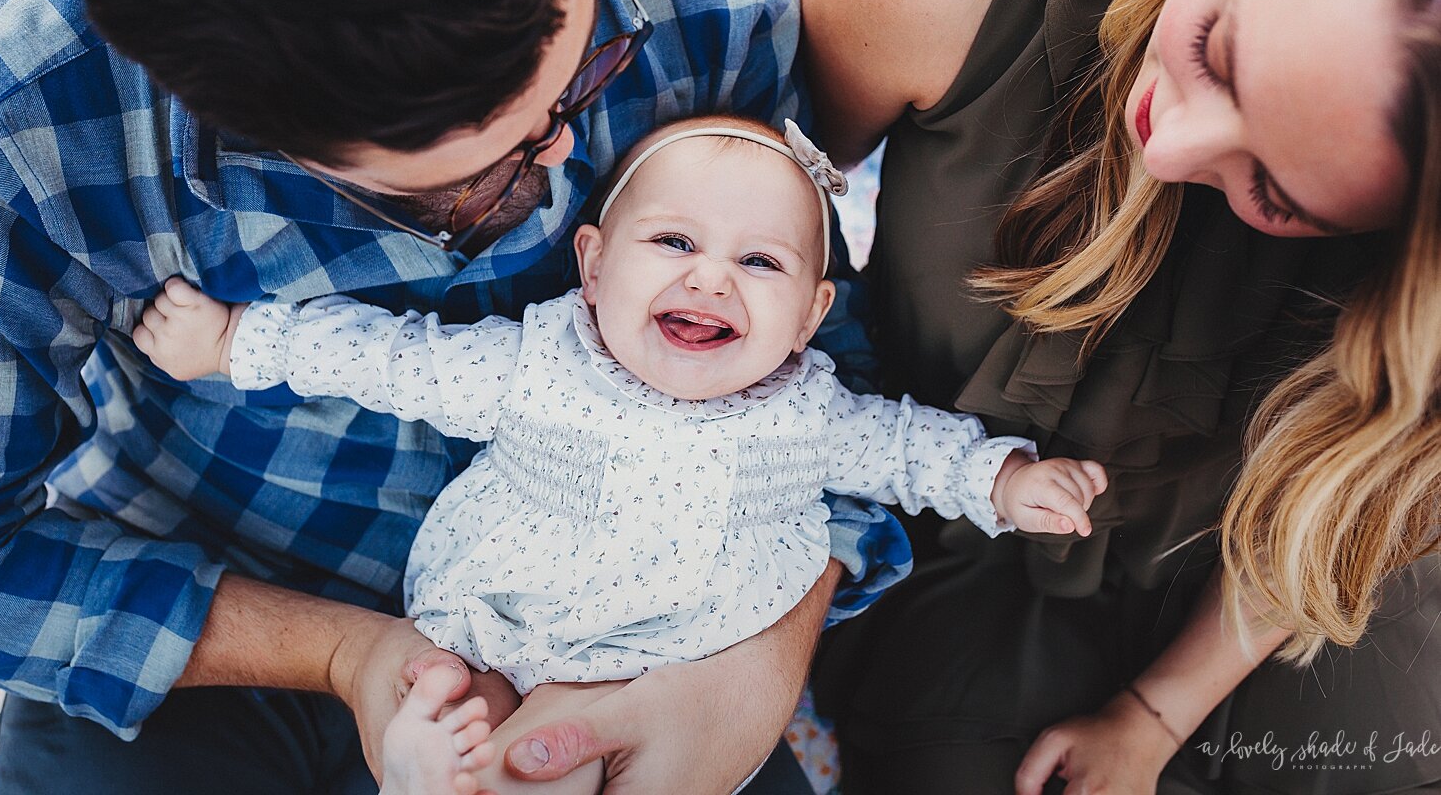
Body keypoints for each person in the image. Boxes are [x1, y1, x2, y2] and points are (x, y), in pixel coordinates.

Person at [0, 0, 909, 792]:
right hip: (211, 588)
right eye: (482, 178)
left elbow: (826, 359)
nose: (567, 151)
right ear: (224, 112)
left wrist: (761, 660)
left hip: (621, 618)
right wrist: (343, 655)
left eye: (582, 79)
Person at [132, 113, 1109, 795]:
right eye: (674, 241)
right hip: (495, 618)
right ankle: (427, 773)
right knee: (446, 697)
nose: (711, 277)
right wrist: (234, 343)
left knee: (560, 766)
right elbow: (394, 363)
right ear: (595, 265)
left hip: (657, 676)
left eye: (761, 262)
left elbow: (905, 451)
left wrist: (1005, 478)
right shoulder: (536, 362)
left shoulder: (809, 413)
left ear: (812, 315)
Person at [801, 0, 1441, 792]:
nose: (1171, 145)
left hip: (1289, 561)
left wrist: (1156, 715)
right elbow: (749, 228)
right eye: (1214, 50)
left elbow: (1355, 504)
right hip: (972, 519)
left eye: (1277, 193)